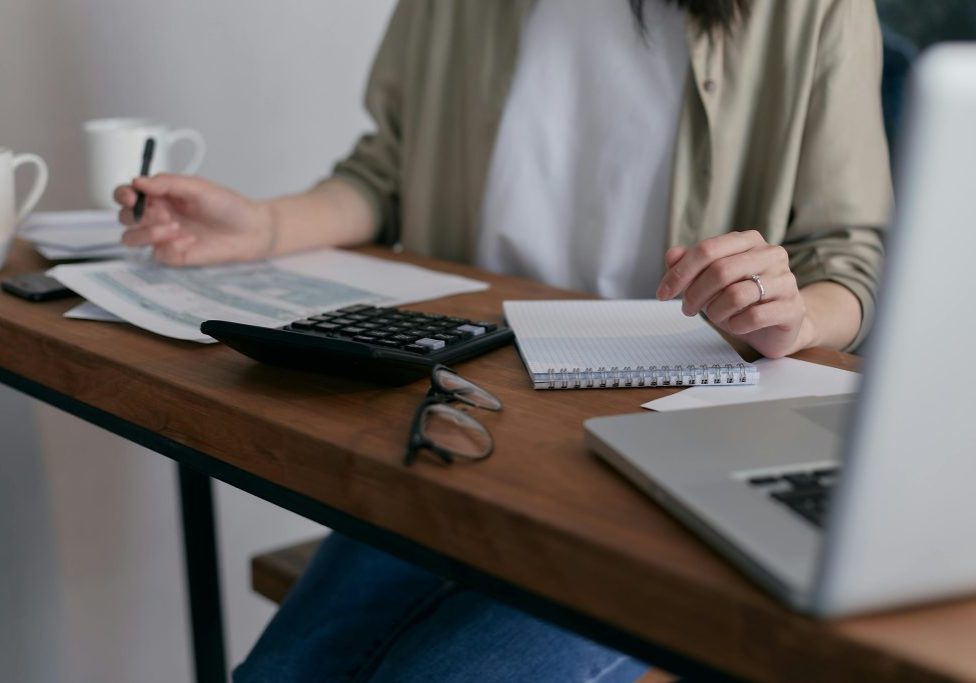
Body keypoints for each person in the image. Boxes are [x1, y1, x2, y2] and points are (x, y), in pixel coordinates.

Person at [115, 1, 892, 680]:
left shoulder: (812, 7)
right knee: (277, 673)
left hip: (667, 450)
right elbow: (387, 173)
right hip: (461, 418)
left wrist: (791, 316)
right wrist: (267, 226)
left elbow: (847, 258)